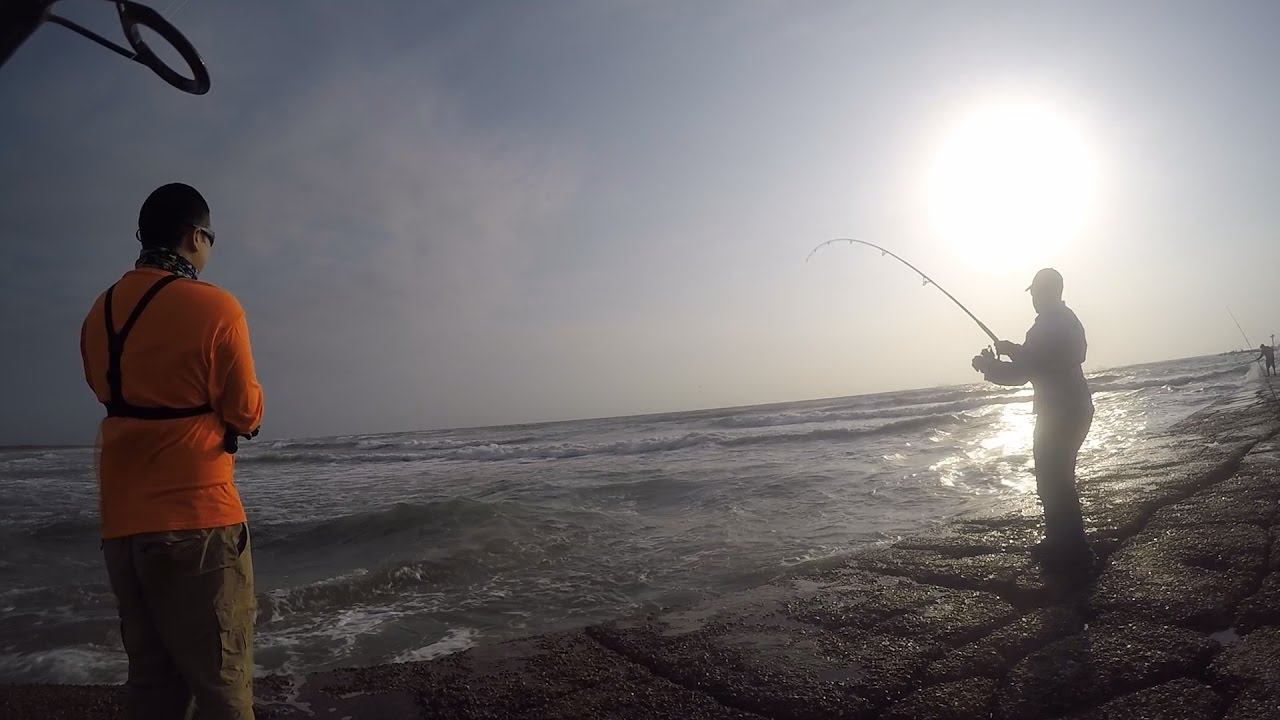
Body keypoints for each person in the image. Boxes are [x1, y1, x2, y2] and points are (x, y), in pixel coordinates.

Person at [80, 183, 264, 719]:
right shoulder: (216, 307)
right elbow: (246, 411)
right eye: (210, 238)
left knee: (153, 689)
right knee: (223, 689)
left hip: (122, 527)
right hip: (198, 523)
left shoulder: (99, 312)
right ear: (194, 236)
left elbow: (105, 390)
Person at [971, 268, 1094, 574]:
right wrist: (1013, 349)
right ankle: (1066, 543)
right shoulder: (1068, 320)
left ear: (1048, 291)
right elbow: (1042, 359)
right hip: (1077, 407)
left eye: (1036, 292)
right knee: (1060, 478)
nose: (1033, 299)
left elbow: (1021, 374)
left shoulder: (1043, 328)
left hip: (1057, 413)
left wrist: (987, 367)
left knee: (1052, 480)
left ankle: (1068, 549)